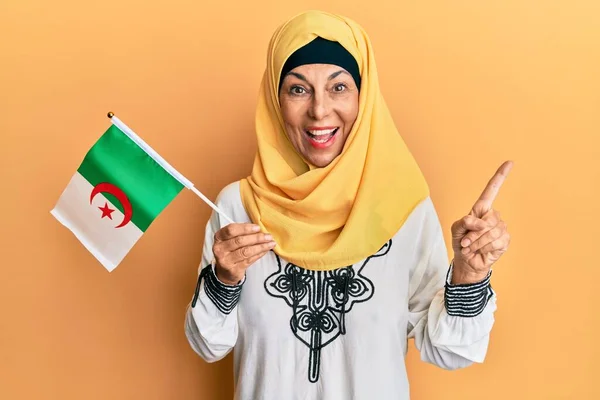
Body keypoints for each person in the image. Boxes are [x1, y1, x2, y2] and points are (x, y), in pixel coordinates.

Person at [184, 10, 512, 400]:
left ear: (364, 96)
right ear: (275, 101)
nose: (319, 111)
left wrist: (468, 276)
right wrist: (223, 280)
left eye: (339, 87)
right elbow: (209, 345)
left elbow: (448, 351)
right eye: (298, 89)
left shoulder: (403, 210)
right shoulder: (238, 207)